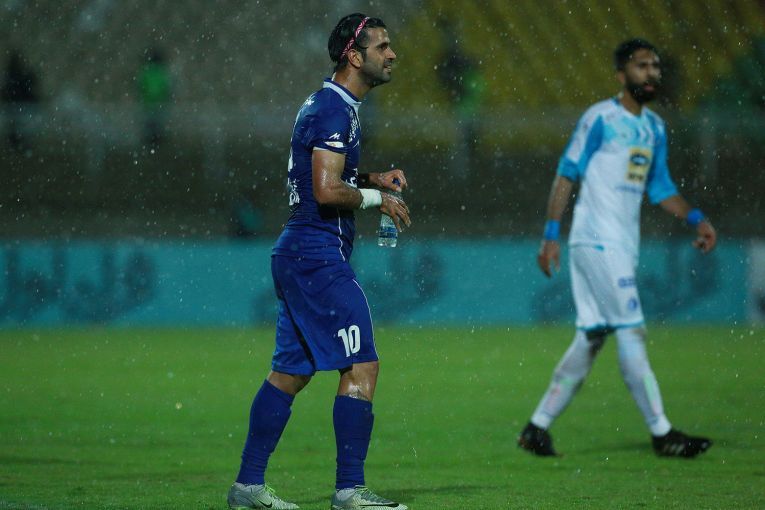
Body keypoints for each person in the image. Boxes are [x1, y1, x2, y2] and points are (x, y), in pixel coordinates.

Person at [227, 13, 410, 510]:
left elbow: (325, 175)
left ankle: (247, 486)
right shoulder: (333, 110)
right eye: (382, 46)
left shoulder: (329, 104)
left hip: (299, 251)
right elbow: (327, 191)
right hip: (316, 254)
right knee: (362, 363)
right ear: (354, 55)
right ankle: (350, 489)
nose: (392, 54)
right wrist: (378, 199)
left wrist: (372, 178)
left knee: (290, 372)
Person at [518, 39, 717, 458]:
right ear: (621, 74)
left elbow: (660, 187)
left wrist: (696, 218)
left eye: (656, 66)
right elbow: (567, 172)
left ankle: (536, 428)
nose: (652, 73)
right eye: (642, 66)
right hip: (596, 240)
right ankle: (662, 432)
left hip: (622, 244)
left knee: (592, 336)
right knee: (631, 329)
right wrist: (550, 234)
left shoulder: (655, 128)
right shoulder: (600, 118)